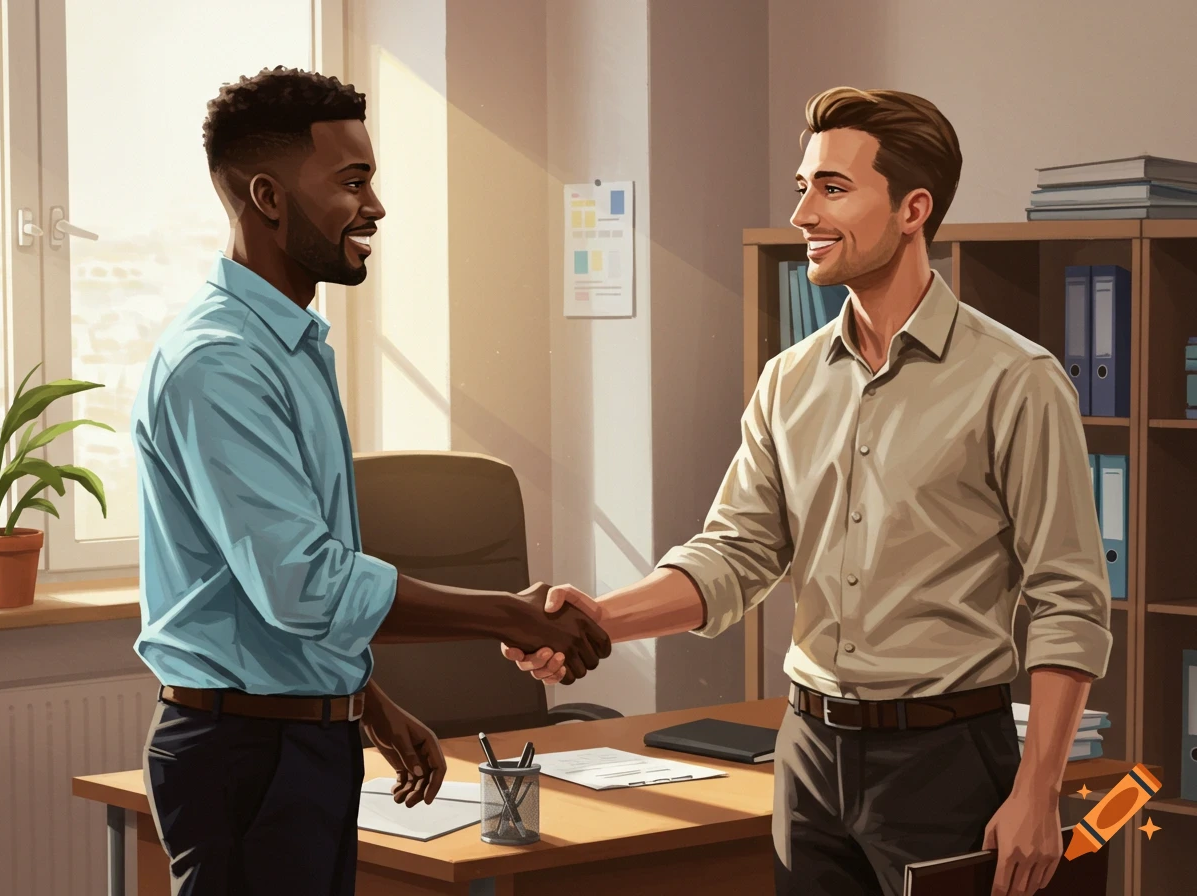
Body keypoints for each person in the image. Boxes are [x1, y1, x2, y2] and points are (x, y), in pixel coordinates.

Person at [502, 86, 1112, 896]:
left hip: (949, 761)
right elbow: (736, 555)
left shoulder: (1016, 381)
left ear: (911, 209)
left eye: (832, 188)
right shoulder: (788, 381)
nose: (803, 215)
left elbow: (1069, 598)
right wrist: (601, 619)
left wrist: (1038, 791)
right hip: (810, 757)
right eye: (802, 188)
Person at [130, 66, 610, 896]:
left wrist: (370, 706)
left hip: (298, 741)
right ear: (269, 198)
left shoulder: (292, 345)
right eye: (353, 182)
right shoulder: (222, 364)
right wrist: (505, 612)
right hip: (246, 755)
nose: (376, 206)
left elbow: (276, 599)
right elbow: (301, 582)